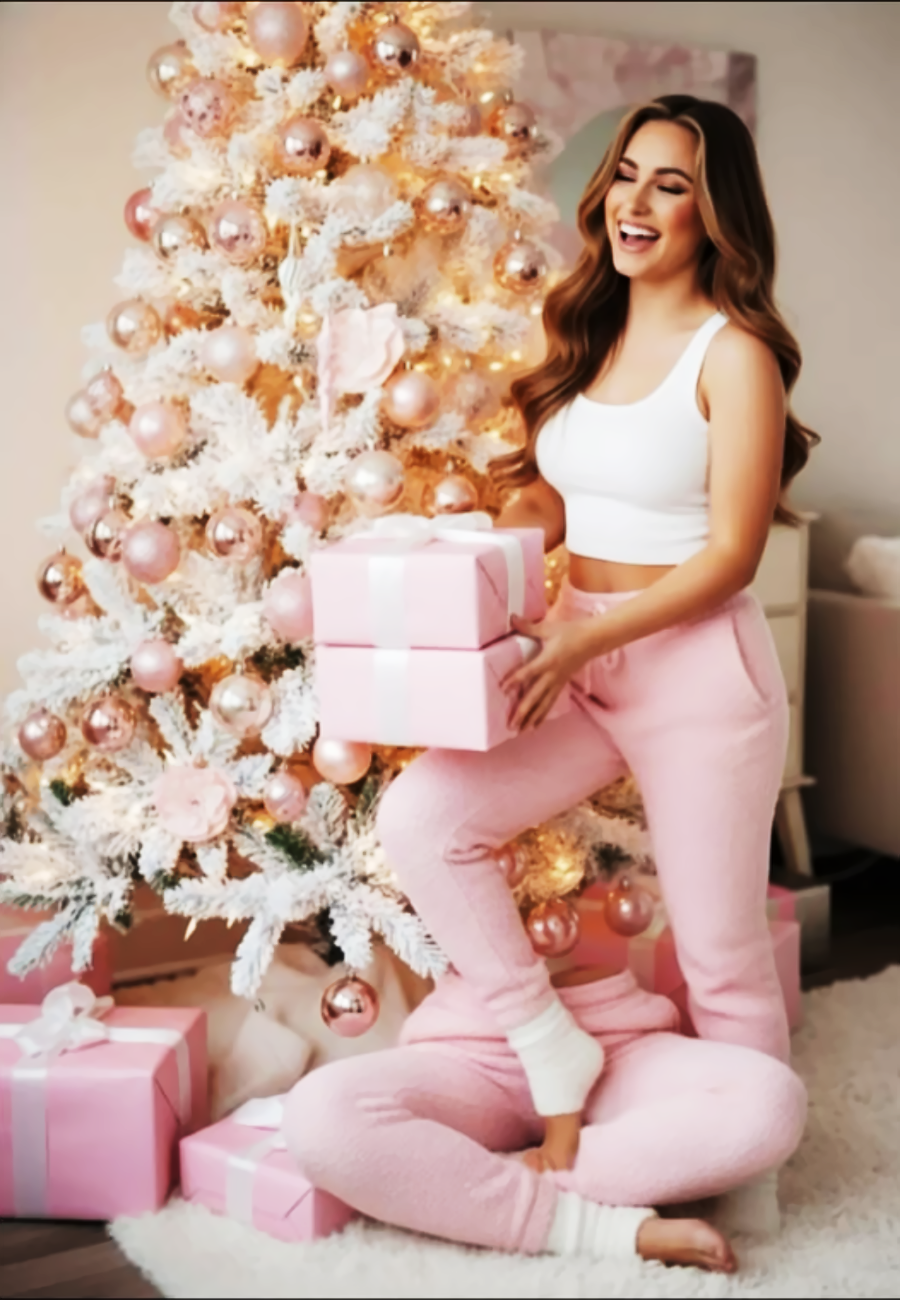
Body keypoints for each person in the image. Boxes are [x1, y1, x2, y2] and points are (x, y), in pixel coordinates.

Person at [372, 92, 818, 1181]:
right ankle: (545, 1043)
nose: (638, 201)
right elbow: (555, 507)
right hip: (580, 652)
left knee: (719, 954)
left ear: (715, 216)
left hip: (699, 675)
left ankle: (743, 1181)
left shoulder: (735, 353)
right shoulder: (589, 328)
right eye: (628, 174)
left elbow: (732, 554)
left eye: (673, 184)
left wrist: (578, 644)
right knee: (426, 817)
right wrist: (468, 546)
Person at [284, 961, 807, 1272]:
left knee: (770, 1098)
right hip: (469, 1052)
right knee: (318, 1112)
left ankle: (484, 1182)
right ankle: (586, 1227)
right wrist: (601, 1232)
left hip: (617, 1041)